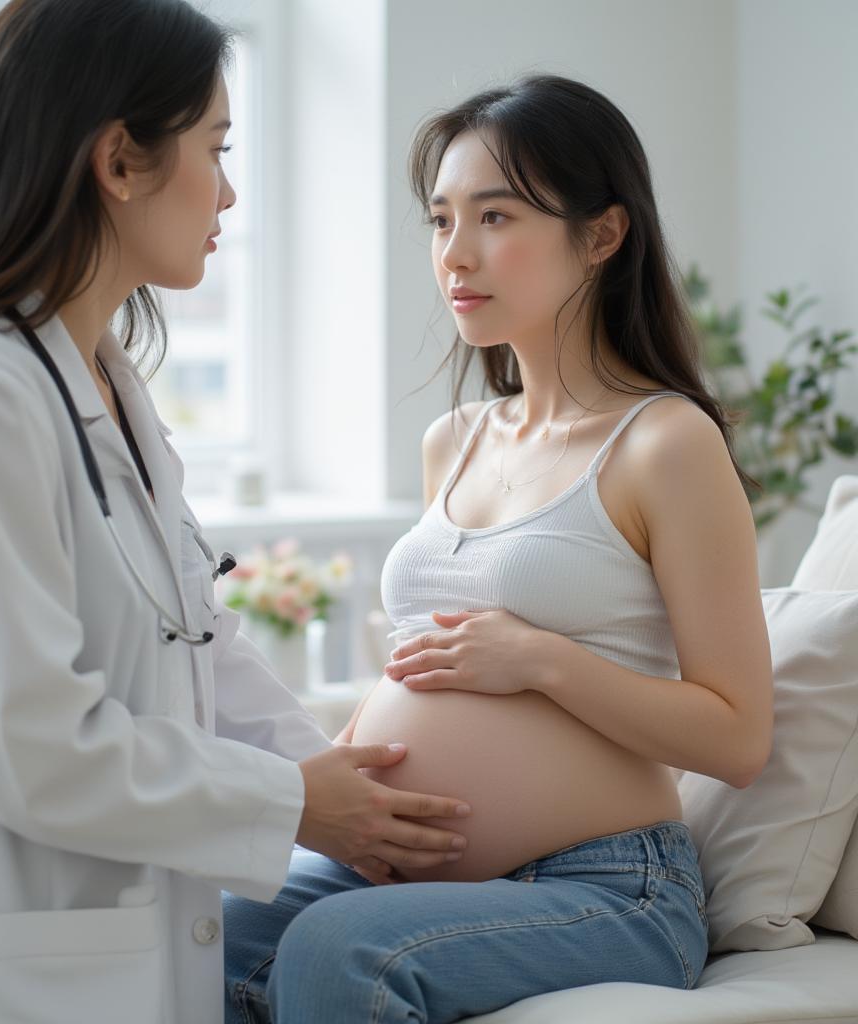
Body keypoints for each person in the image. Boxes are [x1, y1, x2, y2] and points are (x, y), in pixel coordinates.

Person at [0, 2, 473, 1022]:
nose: (228, 190)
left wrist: (329, 770)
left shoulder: (105, 387)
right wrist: (301, 802)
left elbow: (194, 643)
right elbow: (37, 748)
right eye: (214, 148)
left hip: (104, 956)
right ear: (118, 161)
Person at [223, 74, 774, 1022]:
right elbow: (421, 662)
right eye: (441, 221)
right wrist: (342, 787)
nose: (456, 255)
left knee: (336, 951)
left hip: (612, 886)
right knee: (217, 923)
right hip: (407, 870)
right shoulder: (457, 439)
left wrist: (539, 660)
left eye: (496, 216)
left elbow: (738, 736)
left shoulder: (664, 442)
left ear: (602, 236)